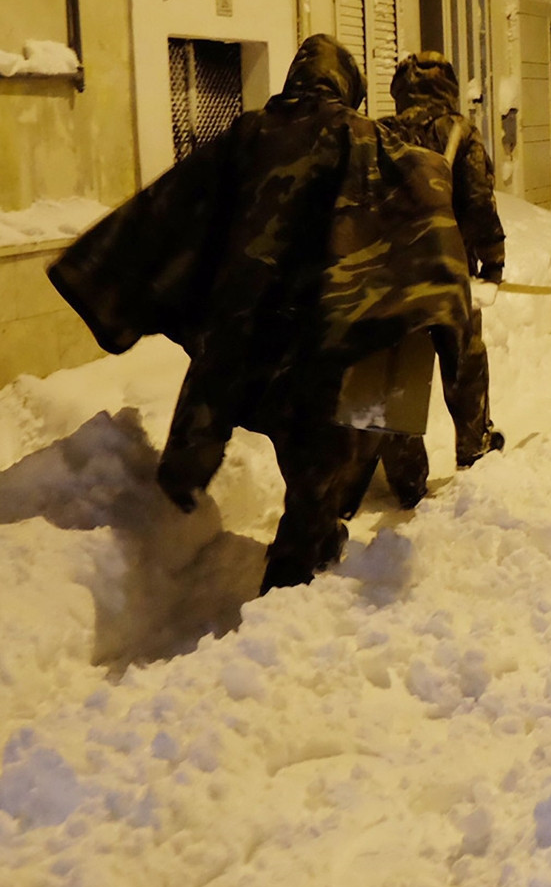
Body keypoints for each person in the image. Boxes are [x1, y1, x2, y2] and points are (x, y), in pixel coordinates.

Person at [48, 35, 471, 593]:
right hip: (319, 328)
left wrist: (102, 266)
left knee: (228, 410)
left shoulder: (246, 133)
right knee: (318, 452)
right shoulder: (363, 137)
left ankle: (217, 496)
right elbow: (417, 189)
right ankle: (289, 580)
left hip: (242, 324)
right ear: (347, 84)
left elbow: (176, 200)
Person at [371, 52, 506, 502]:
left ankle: (406, 476)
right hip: (450, 269)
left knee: (397, 370)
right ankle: (473, 444)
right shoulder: (459, 132)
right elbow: (478, 200)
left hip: (394, 271)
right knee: (464, 358)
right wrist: (492, 259)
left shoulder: (379, 132)